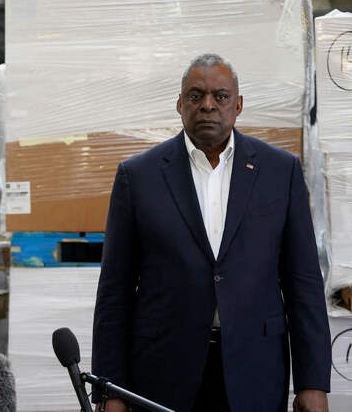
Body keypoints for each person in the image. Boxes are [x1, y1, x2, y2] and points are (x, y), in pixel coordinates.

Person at [91, 54, 331, 412]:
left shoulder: (280, 172)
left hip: (256, 370)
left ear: (238, 105)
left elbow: (304, 282)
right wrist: (110, 389)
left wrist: (312, 382)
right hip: (162, 373)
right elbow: (115, 290)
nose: (207, 105)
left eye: (220, 96)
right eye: (195, 95)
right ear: (179, 104)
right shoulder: (138, 176)